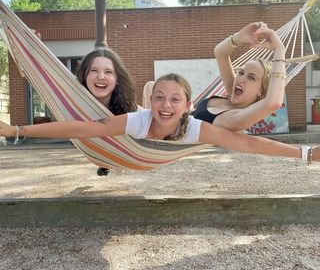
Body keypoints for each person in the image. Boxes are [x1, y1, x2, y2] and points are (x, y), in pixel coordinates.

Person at [1, 73, 318, 166]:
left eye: (175, 100)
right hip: (131, 146)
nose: (166, 106)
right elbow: (83, 128)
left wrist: (303, 152)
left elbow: (247, 143)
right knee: (101, 118)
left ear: (187, 106)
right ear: (150, 102)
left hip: (156, 151)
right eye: (159, 98)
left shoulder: (197, 128)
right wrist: (17, 129)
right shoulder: (138, 120)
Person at [191, 22, 288, 131]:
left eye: (251, 77)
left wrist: (279, 50)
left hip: (172, 142)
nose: (240, 79)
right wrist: (240, 37)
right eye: (241, 72)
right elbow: (220, 53)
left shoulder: (237, 118)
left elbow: (273, 103)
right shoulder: (231, 94)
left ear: (261, 91)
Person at [77, 48, 137, 176]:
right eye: (94, 70)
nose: (101, 77)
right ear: (84, 75)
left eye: (108, 72)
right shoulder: (73, 102)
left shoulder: (127, 108)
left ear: (117, 80)